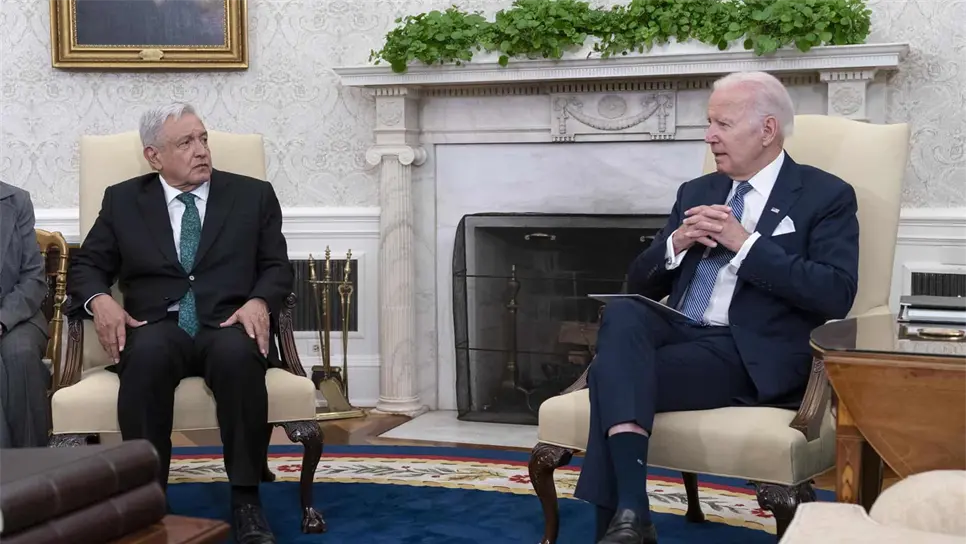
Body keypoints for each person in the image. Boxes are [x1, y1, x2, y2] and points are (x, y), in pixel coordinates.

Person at [577, 71, 860, 544]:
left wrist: (744, 244)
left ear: (767, 130)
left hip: (748, 352)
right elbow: (639, 282)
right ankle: (634, 513)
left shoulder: (825, 195)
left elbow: (834, 292)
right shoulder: (697, 191)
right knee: (625, 311)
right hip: (683, 331)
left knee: (610, 374)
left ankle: (626, 518)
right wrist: (677, 242)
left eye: (722, 125)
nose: (709, 136)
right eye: (709, 123)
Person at [66, 103, 291, 544]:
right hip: (156, 324)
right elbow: (87, 266)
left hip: (227, 321)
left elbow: (277, 268)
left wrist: (260, 301)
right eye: (185, 142)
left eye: (203, 138)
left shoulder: (253, 195)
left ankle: (246, 499)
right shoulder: (123, 199)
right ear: (154, 156)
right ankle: (149, 498)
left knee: (238, 357)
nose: (201, 150)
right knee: (146, 357)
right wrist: (99, 302)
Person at [0, 182, 51, 449]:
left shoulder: (16, 200)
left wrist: (2, 319)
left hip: (19, 314)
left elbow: (33, 277)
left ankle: (33, 469)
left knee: (19, 354)